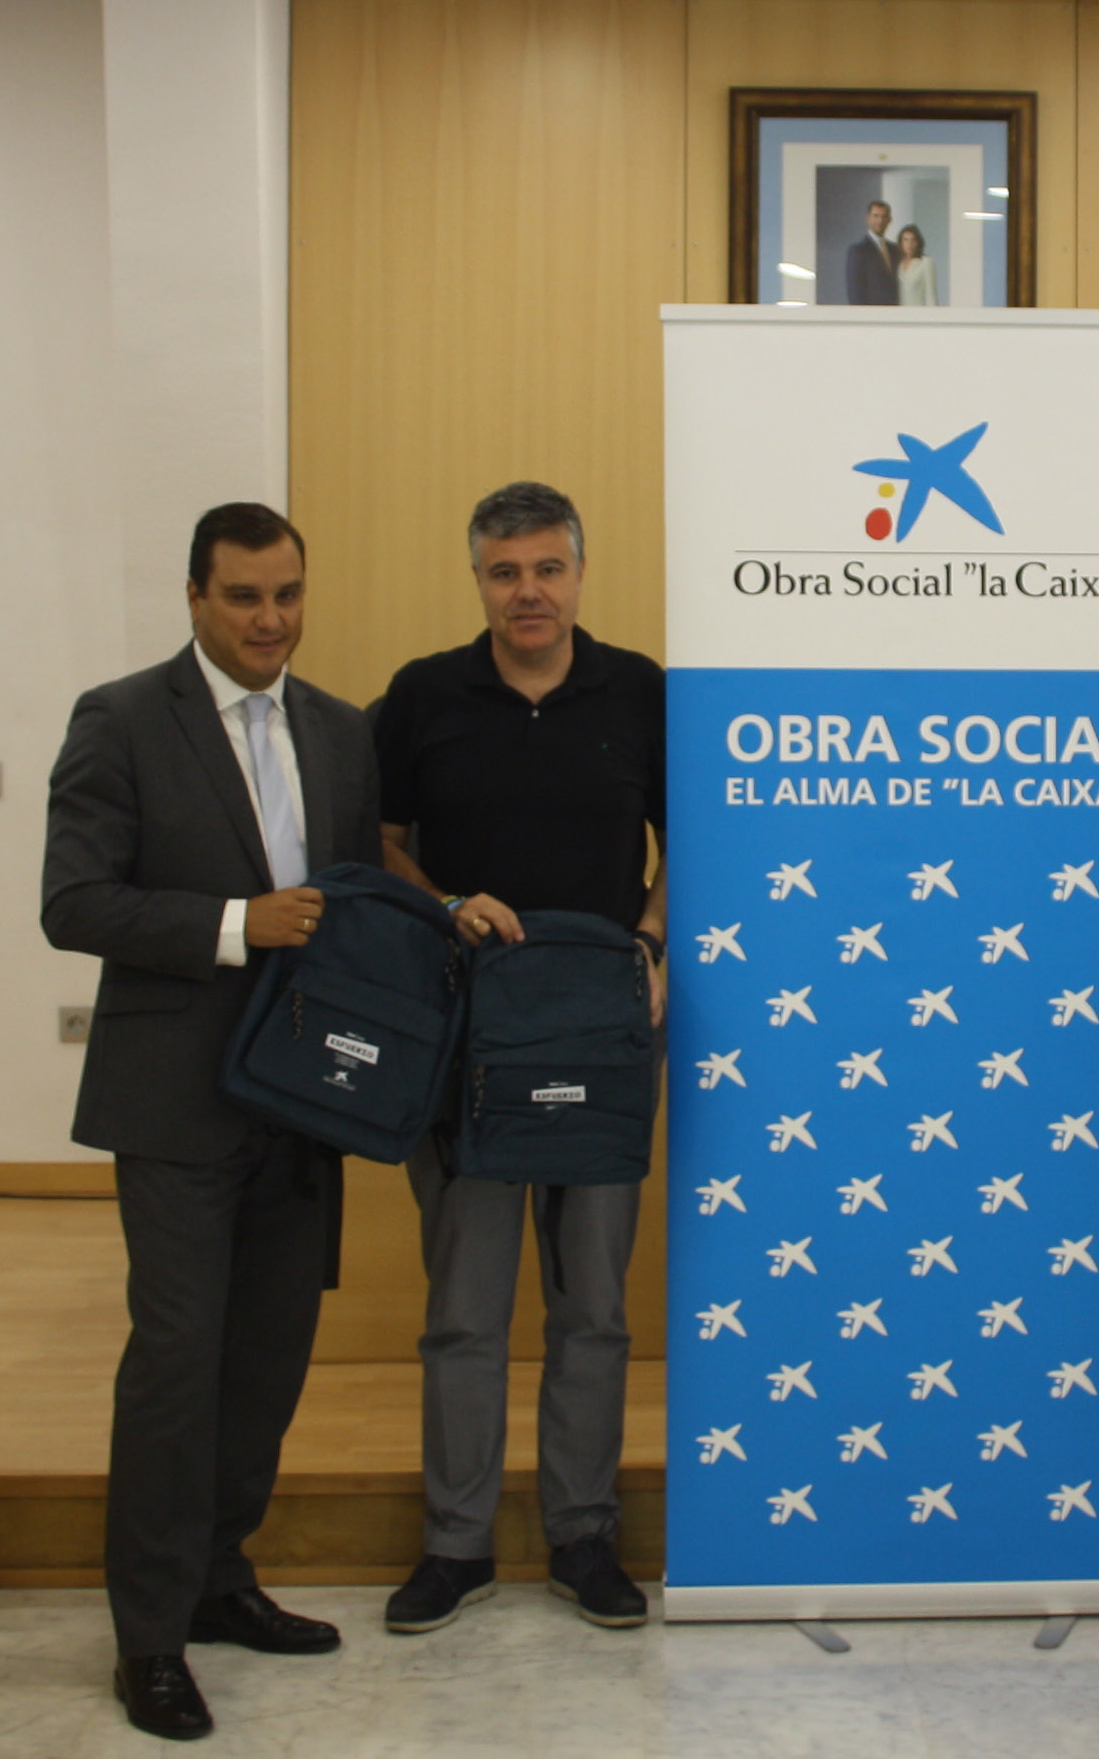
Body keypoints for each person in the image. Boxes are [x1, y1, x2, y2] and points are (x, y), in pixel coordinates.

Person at [43, 502, 380, 1743]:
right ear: (195, 596)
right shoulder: (121, 718)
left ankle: (219, 1580)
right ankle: (147, 1639)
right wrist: (239, 924)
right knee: (177, 1367)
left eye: (287, 594)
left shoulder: (340, 730)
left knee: (267, 1362)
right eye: (243, 596)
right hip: (173, 1100)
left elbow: (353, 899)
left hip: (301, 1101)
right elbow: (74, 903)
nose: (269, 619)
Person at [372, 481, 667, 1636]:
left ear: (579, 573)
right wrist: (444, 904)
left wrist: (652, 942)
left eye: (547, 569)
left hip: (602, 1040)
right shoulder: (422, 696)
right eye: (505, 572)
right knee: (465, 1313)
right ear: (479, 580)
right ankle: (456, 1545)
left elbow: (696, 839)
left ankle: (583, 1535)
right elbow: (379, 846)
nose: (528, 592)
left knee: (592, 1308)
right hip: (468, 1048)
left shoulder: (639, 691)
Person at [845, 197, 899, 304]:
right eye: (876, 216)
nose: (880, 221)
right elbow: (855, 291)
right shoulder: (858, 251)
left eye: (884, 216)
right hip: (871, 312)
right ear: (868, 218)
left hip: (894, 311)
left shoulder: (895, 250)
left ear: (889, 220)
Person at [895, 221, 938, 307]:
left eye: (913, 240)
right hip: (900, 312)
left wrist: (933, 313)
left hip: (918, 311)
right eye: (906, 240)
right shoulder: (898, 265)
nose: (909, 244)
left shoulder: (925, 262)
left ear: (918, 242)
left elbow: (931, 294)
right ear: (901, 243)